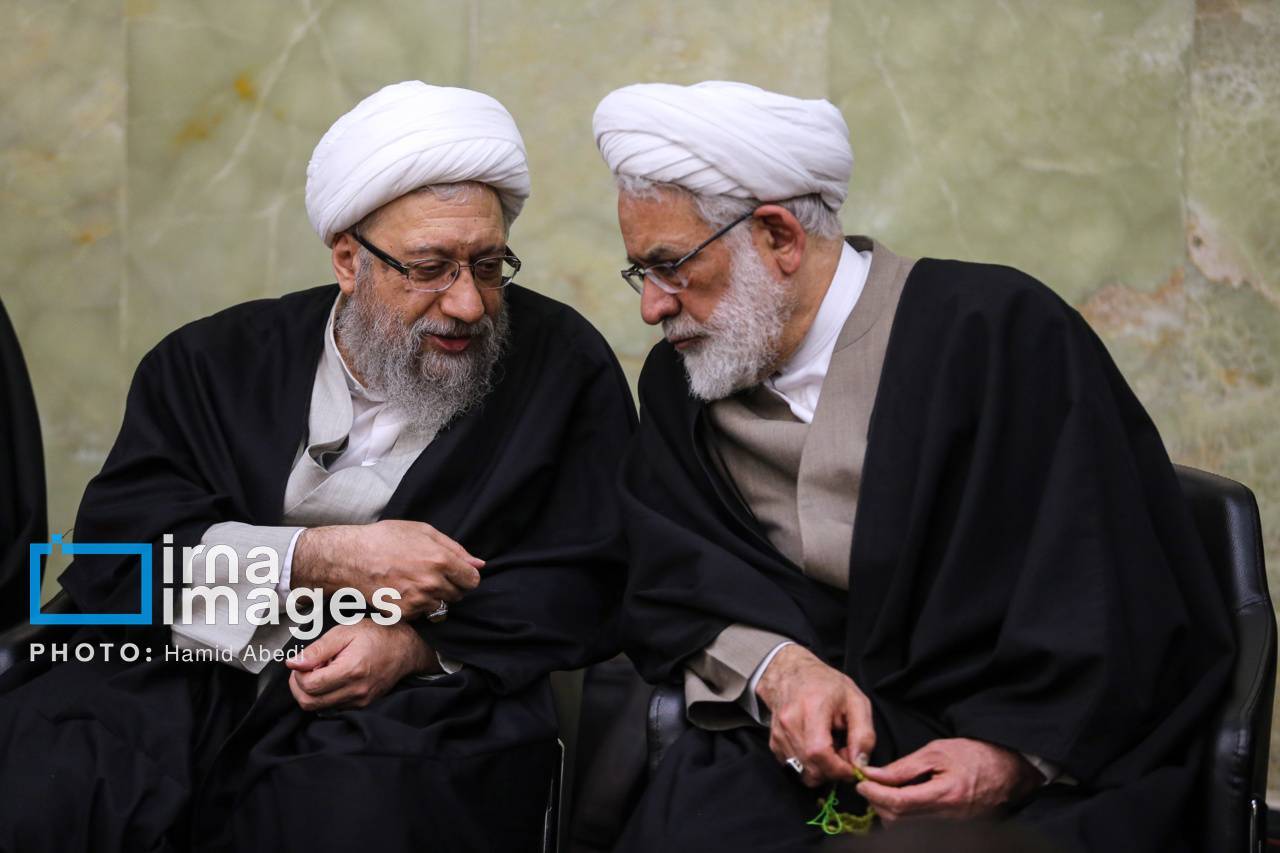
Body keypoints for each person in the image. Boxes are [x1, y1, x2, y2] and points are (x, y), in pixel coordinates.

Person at [592, 81, 1233, 852]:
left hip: (1023, 758)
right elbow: (668, 582)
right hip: (793, 752)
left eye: (671, 267)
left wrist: (1011, 759)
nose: (652, 307)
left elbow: (1116, 596)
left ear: (778, 237)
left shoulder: (999, 335)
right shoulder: (685, 385)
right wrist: (779, 669)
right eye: (641, 273)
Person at [0, 81, 634, 852]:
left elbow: (592, 575)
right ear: (347, 259)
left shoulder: (561, 367)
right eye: (430, 267)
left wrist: (418, 646)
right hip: (171, 667)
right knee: (55, 780)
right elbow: (116, 554)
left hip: (409, 702)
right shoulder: (210, 361)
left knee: (353, 810)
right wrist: (319, 557)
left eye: (489, 265)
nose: (468, 303)